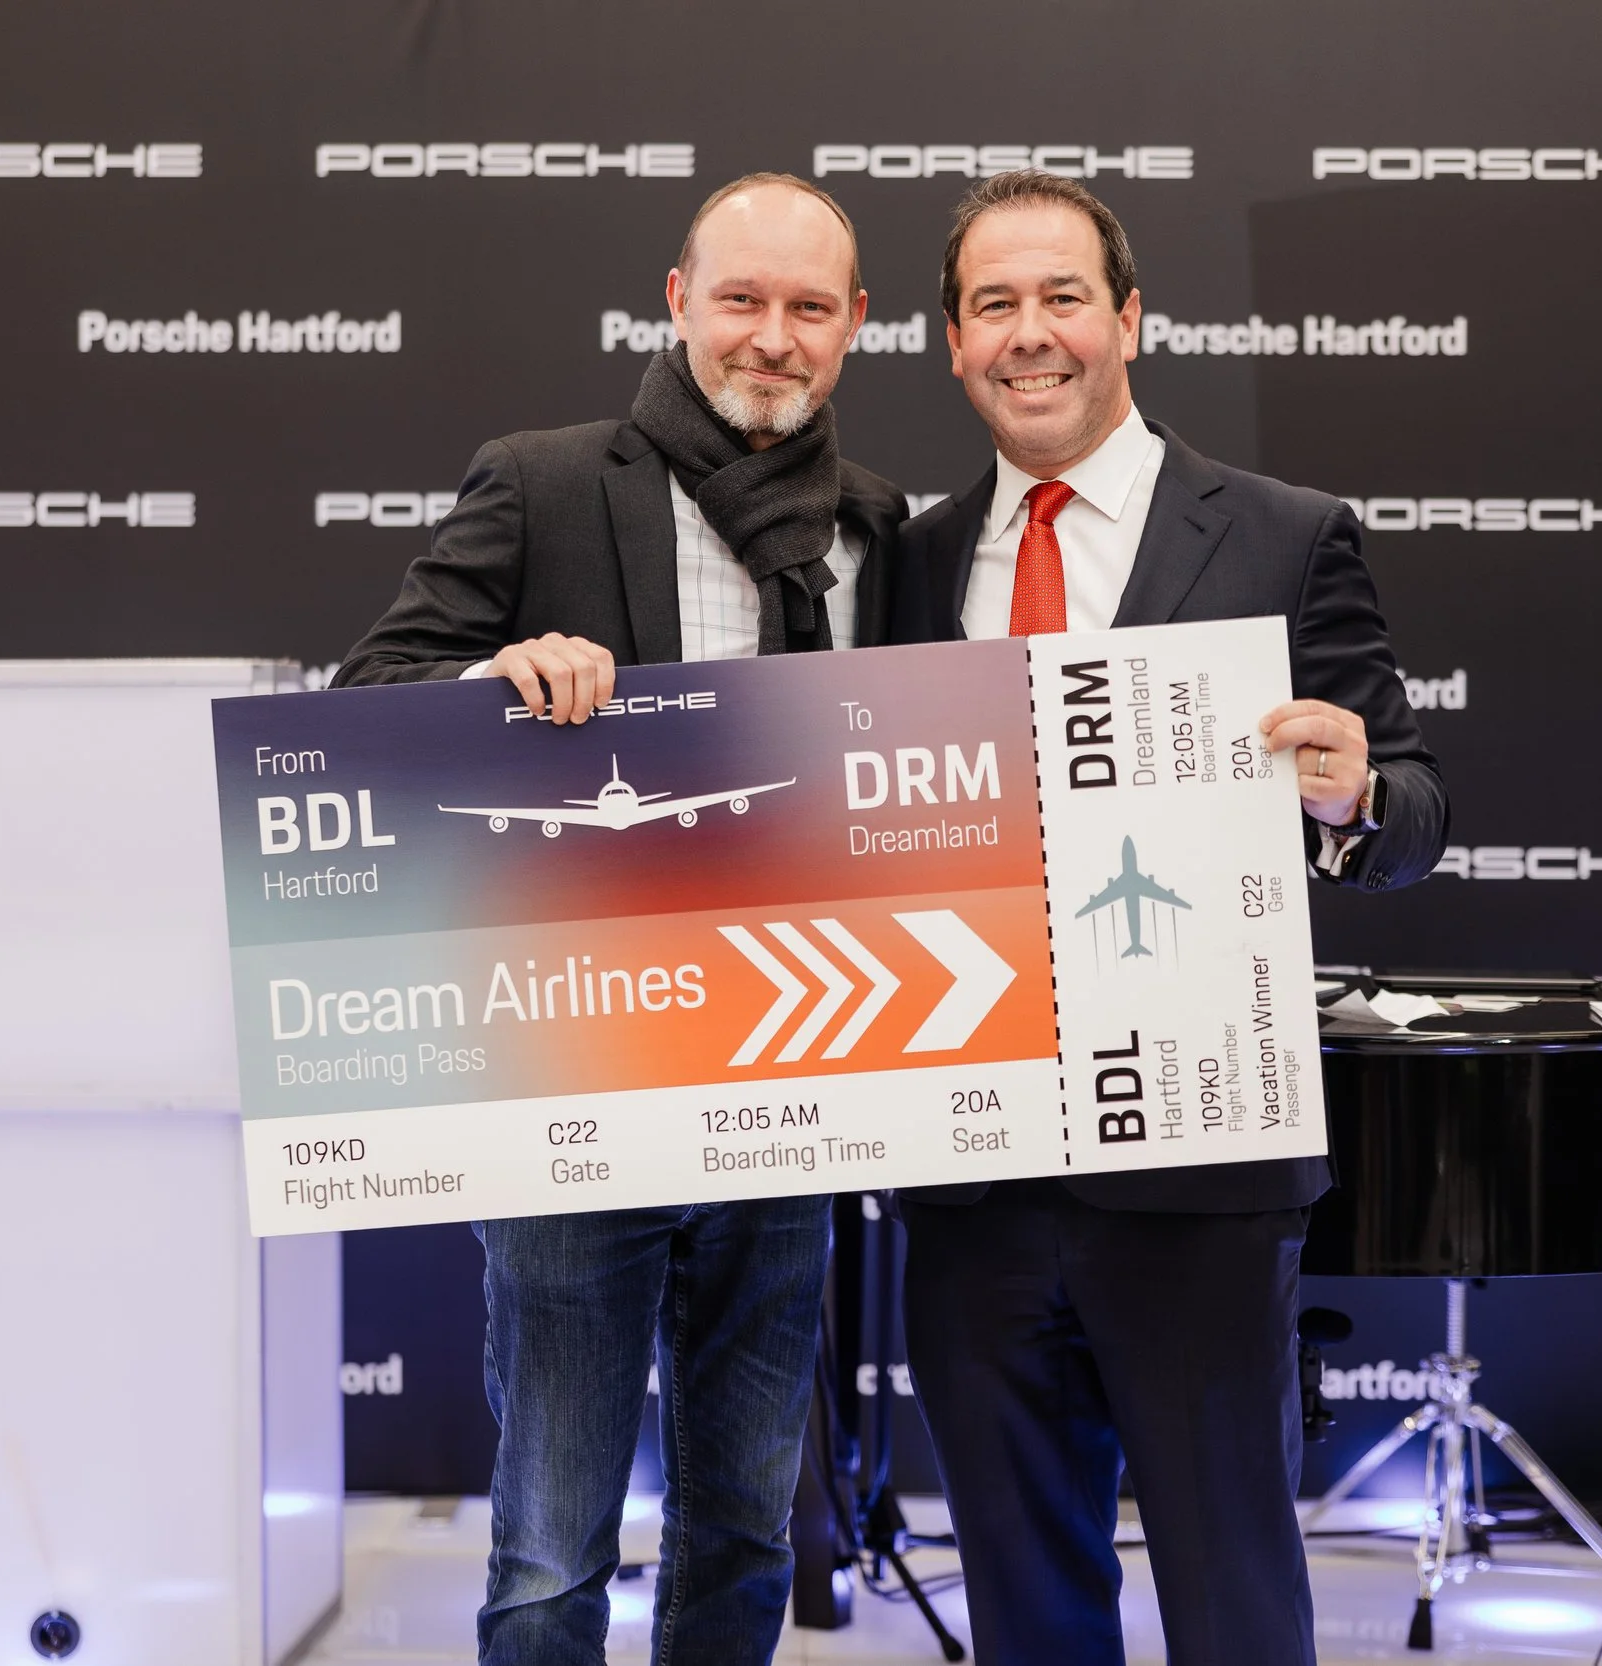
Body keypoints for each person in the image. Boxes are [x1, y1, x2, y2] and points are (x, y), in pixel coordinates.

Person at [333, 173, 906, 1665]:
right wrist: (499, 676)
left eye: (806, 309)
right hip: (574, 1100)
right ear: (675, 301)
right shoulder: (543, 480)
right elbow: (358, 714)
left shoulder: (878, 526)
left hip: (793, 1093)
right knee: (547, 1549)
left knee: (743, 1535)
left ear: (851, 329)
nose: (769, 338)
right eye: (741, 300)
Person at [887, 170, 1449, 1666]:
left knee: (1235, 1602)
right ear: (952, 342)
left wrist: (1350, 797)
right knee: (1024, 1604)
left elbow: (1416, 801)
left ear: (1129, 319)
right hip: (971, 1182)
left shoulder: (1284, 533)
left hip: (1201, 1180)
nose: (1031, 333)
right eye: (993, 304)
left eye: (1062, 296)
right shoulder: (909, 561)